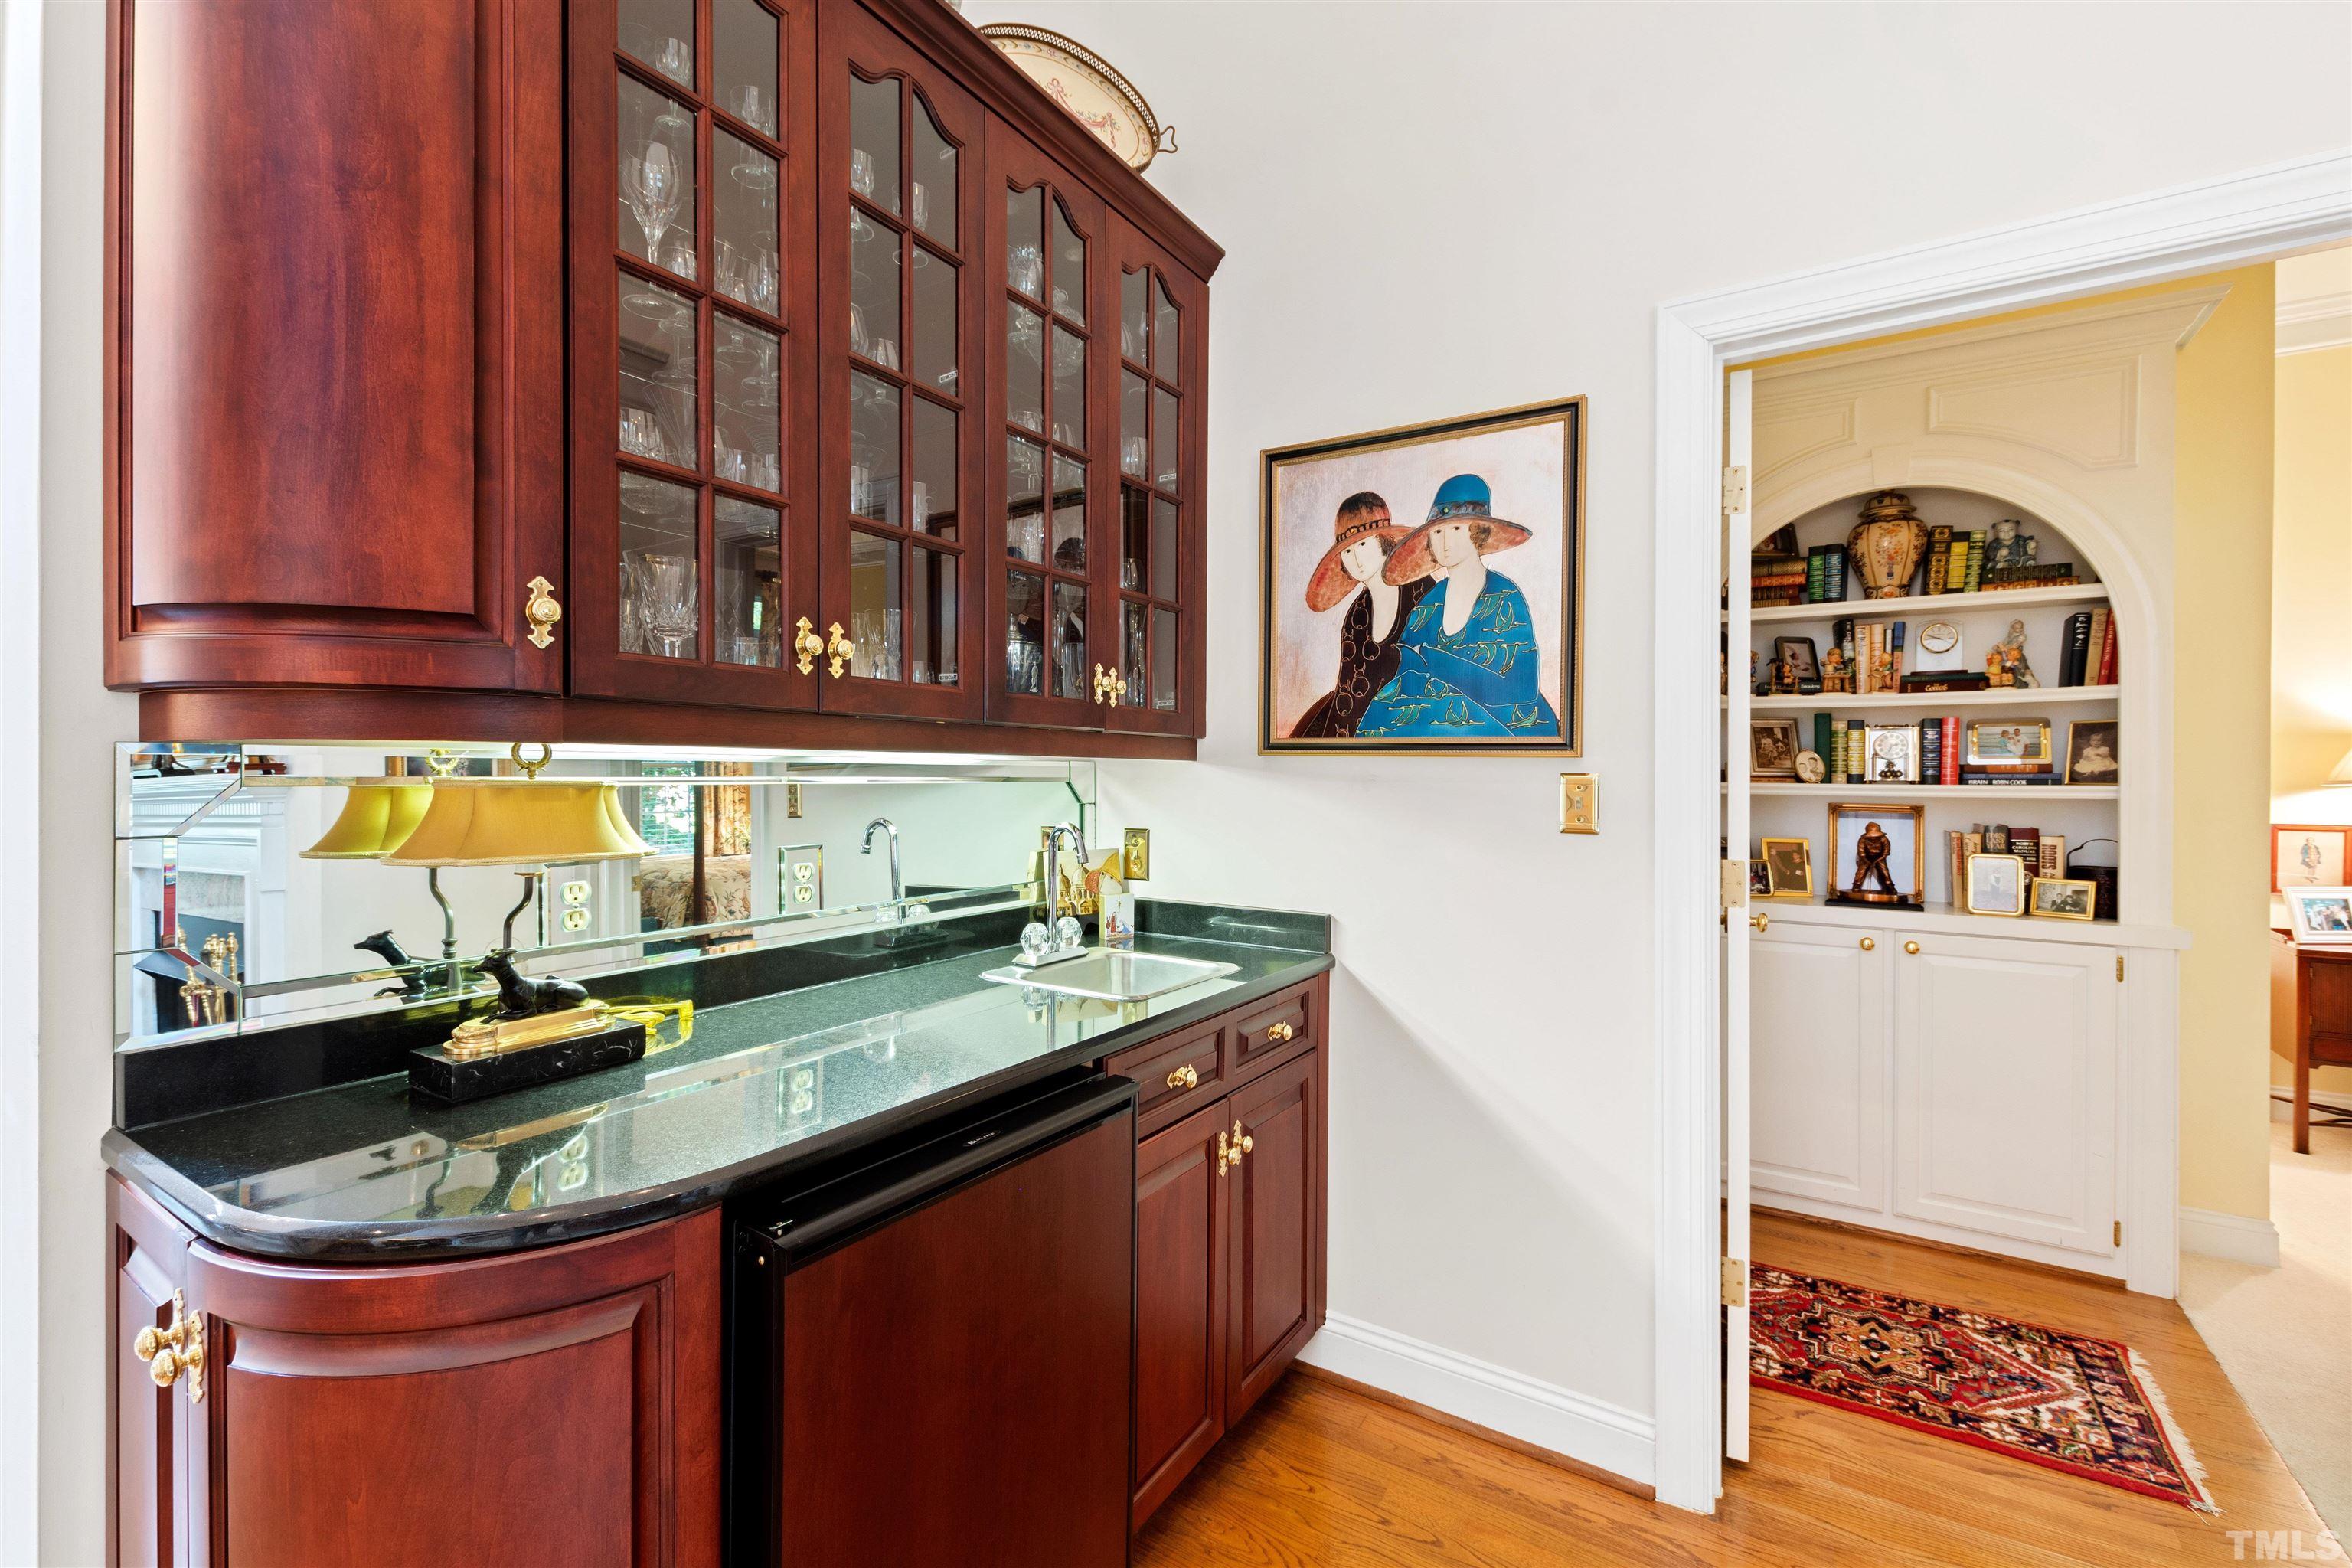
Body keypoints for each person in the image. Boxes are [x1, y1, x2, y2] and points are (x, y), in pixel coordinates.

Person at [1354, 474, 1560, 740]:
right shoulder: (1428, 606)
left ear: (1477, 532)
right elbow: (1406, 679)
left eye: (1456, 529)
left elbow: (1520, 689)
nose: (1445, 541)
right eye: (1437, 531)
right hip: (1434, 723)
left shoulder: (1505, 596)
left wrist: (1434, 659)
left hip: (1508, 725)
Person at [1288, 493, 1427, 739]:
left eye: (1362, 544)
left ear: (1384, 540)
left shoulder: (1422, 591)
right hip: (1361, 726)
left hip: (1420, 717)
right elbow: (1348, 694)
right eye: (1347, 550)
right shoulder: (1357, 615)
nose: (1356, 558)